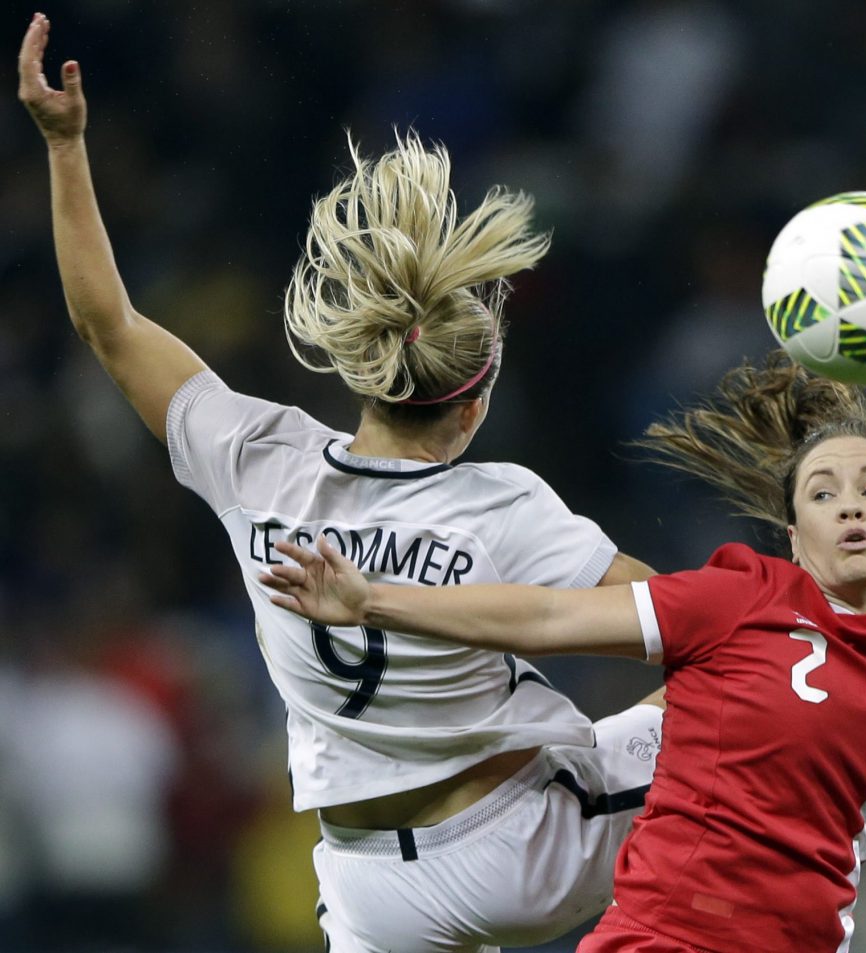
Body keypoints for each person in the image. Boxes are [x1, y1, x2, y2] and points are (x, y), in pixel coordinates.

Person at [18, 14, 665, 953]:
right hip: (521, 846)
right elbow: (684, 622)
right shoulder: (502, 505)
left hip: (367, 885)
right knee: (760, 679)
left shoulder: (255, 456)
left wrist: (65, 145)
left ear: (359, 373)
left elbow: (108, 324)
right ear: (473, 404)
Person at [262, 356, 866, 952]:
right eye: (823, 490)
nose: (851, 500)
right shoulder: (737, 600)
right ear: (796, 534)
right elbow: (547, 620)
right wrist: (374, 599)